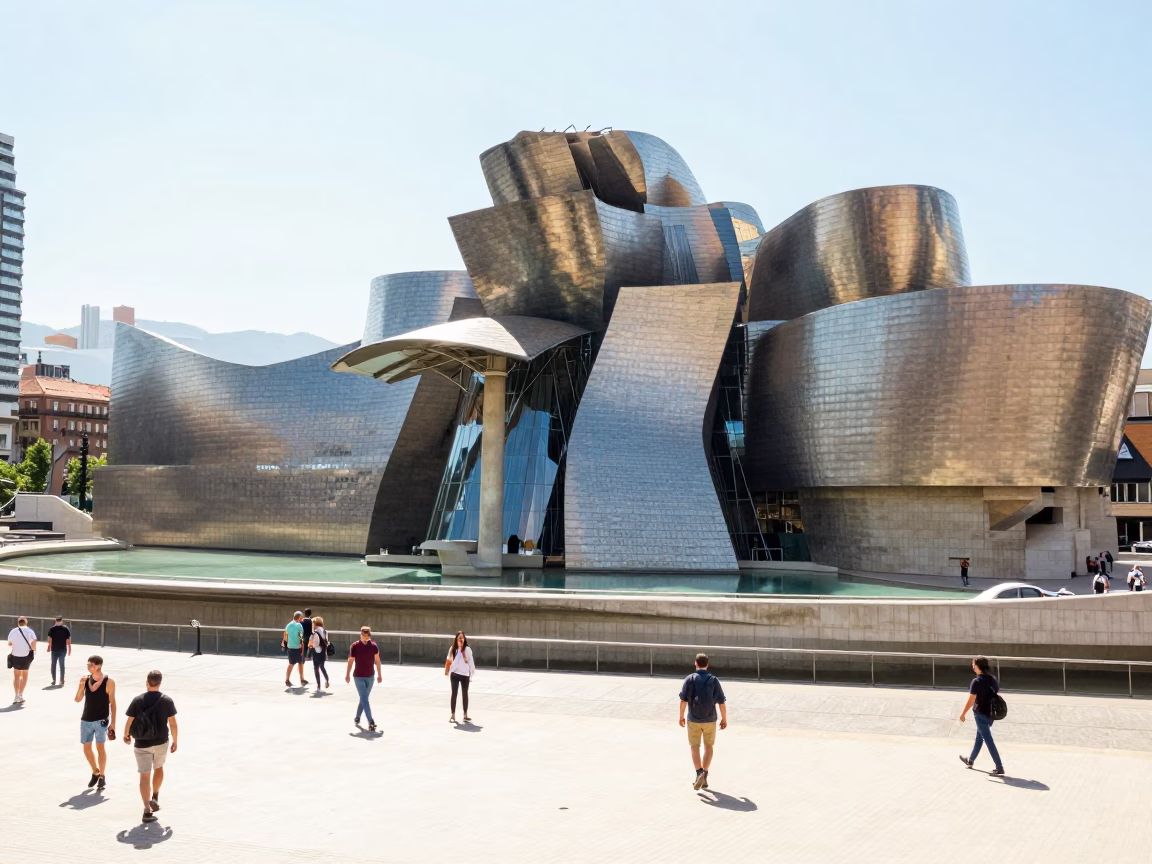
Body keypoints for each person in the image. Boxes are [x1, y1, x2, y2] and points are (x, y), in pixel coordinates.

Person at [124, 669, 178, 824]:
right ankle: (155, 795)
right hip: (161, 741)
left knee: (144, 775)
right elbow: (172, 723)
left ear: (146, 682)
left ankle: (147, 809)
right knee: (159, 768)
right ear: (160, 683)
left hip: (141, 743)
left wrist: (126, 735)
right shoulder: (167, 700)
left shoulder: (137, 700)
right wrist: (175, 740)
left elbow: (129, 721)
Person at [678, 653, 727, 791]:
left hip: (693, 719)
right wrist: (724, 718)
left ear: (696, 663)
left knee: (694, 746)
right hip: (710, 719)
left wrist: (681, 716)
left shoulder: (689, 679)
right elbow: (721, 702)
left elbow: (683, 700)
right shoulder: (713, 680)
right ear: (707, 664)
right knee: (708, 746)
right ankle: (705, 774)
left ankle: (698, 772)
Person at [75, 655, 117, 790]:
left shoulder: (109, 682)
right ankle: (95, 771)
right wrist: (81, 685)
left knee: (100, 748)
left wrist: (113, 724)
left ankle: (102, 776)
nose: (88, 667)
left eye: (90, 665)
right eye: (88, 665)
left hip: (101, 720)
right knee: (86, 749)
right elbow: (77, 699)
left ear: (98, 666)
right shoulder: (86, 680)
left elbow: (113, 703)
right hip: (86, 719)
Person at [958, 656, 1004, 776]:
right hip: (990, 714)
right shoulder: (992, 679)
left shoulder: (976, 682)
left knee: (988, 740)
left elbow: (971, 700)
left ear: (978, 666)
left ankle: (999, 767)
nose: (972, 666)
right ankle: (970, 760)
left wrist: (963, 713)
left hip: (980, 714)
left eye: (973, 664)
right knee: (980, 737)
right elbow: (996, 692)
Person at [345, 626, 381, 731]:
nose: (364, 636)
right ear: (360, 634)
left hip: (370, 676)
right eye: (363, 634)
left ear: (369, 635)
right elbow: (350, 661)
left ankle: (357, 717)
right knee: (365, 699)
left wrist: (379, 674)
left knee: (363, 699)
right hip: (358, 676)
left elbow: (377, 661)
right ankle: (371, 721)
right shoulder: (355, 646)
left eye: (366, 634)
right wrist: (347, 674)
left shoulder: (374, 646)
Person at [444, 630, 476, 723]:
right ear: (456, 639)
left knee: (465, 694)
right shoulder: (452, 649)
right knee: (454, 694)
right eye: (459, 638)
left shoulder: (467, 650)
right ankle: (453, 715)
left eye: (462, 638)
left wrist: (471, 673)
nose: (461, 640)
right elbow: (448, 660)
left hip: (465, 675)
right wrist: (447, 671)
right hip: (454, 674)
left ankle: (465, 715)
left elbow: (471, 662)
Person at [7, 615, 37, 703]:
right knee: (24, 675)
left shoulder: (13, 631)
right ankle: (21, 694)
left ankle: (16, 695)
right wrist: (33, 649)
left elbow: (9, 644)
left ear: (18, 623)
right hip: (26, 656)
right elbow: (33, 643)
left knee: (16, 676)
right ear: (26, 622)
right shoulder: (30, 631)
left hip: (16, 655)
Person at [281, 611, 308, 687]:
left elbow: (285, 637)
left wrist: (288, 642)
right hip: (298, 647)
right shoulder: (299, 625)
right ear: (299, 617)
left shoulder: (288, 625)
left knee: (291, 663)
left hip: (290, 647)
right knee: (301, 663)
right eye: (301, 617)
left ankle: (287, 679)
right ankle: (302, 679)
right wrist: (301, 642)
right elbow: (301, 635)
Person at [48, 616, 71, 686]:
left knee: (58, 665)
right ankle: (57, 680)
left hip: (59, 649)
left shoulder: (62, 629)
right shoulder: (54, 629)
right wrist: (49, 646)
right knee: (57, 665)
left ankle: (59, 680)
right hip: (58, 649)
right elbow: (50, 638)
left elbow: (68, 639)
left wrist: (69, 648)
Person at [309, 615, 330, 690]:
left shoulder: (314, 632)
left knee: (316, 668)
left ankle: (318, 685)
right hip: (323, 651)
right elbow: (326, 641)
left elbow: (314, 644)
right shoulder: (325, 631)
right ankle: (327, 680)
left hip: (317, 652)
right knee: (322, 667)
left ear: (315, 623)